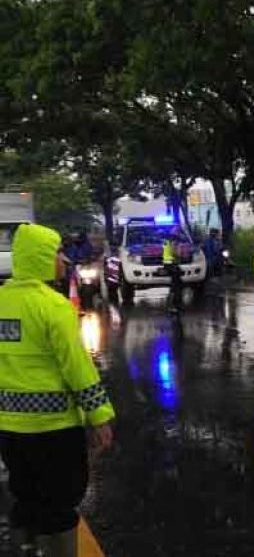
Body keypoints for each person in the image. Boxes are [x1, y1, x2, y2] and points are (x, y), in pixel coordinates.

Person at [0, 223, 115, 557]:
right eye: (56, 253)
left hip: (9, 429)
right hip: (54, 429)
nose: (64, 260)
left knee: (26, 497)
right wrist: (100, 416)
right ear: (39, 258)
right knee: (61, 503)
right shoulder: (53, 306)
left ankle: (26, 548)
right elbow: (78, 367)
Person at [162, 229, 185, 315]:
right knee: (176, 286)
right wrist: (179, 255)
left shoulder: (167, 241)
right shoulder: (174, 242)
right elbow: (175, 252)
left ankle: (174, 305)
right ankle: (174, 306)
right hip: (172, 265)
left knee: (176, 285)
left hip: (169, 265)